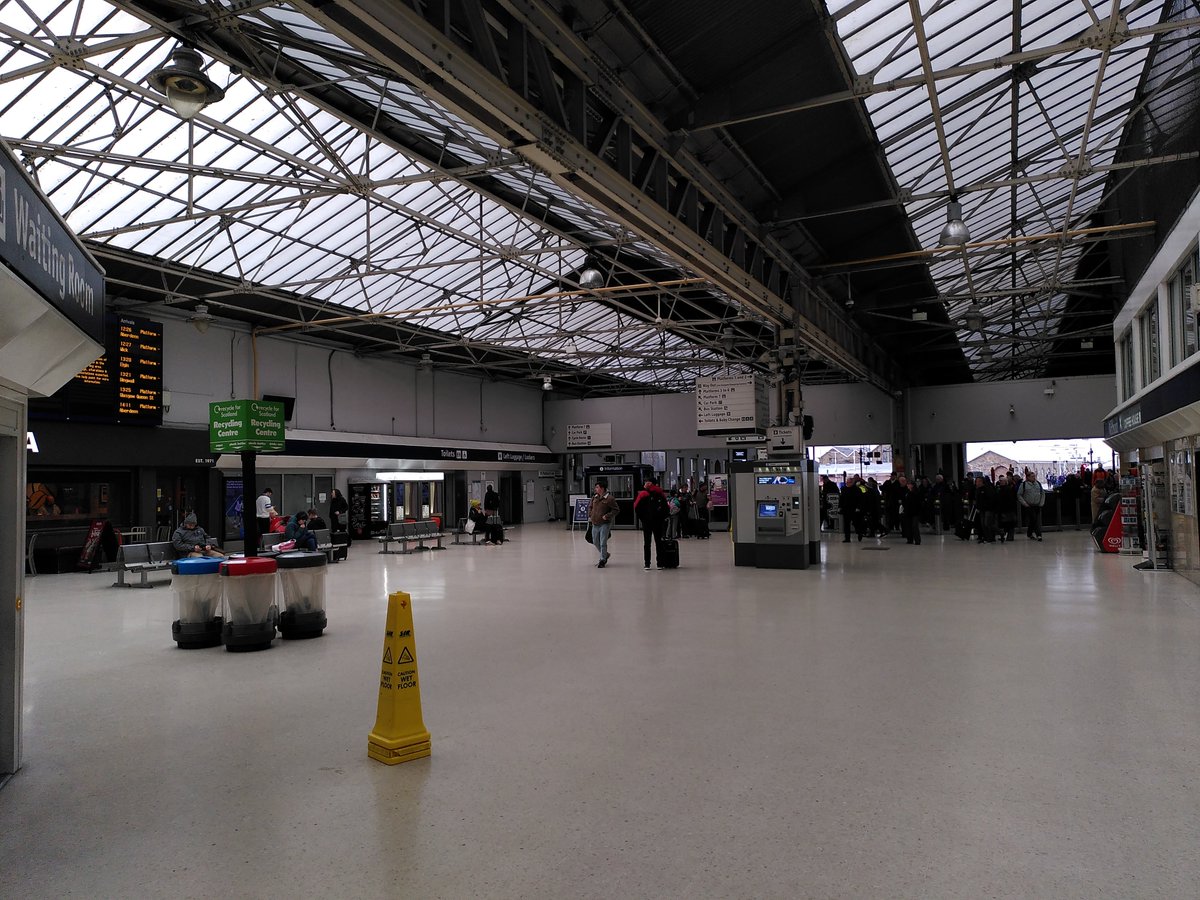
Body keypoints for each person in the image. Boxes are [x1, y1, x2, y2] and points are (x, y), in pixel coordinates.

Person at [632, 479, 669, 569]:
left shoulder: (643, 494)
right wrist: (662, 519)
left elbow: (636, 507)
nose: (644, 484)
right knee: (659, 542)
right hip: (658, 522)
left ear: (649, 483)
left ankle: (647, 564)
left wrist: (643, 519)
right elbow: (666, 508)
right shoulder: (661, 493)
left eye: (646, 482)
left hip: (647, 523)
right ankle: (660, 563)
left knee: (647, 543)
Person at [588, 479, 619, 568]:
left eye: (597, 487)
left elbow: (616, 510)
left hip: (604, 524)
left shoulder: (610, 499)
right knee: (595, 541)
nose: (595, 489)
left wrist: (607, 516)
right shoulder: (595, 497)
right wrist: (590, 514)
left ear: (602, 488)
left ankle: (602, 560)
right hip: (595, 523)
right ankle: (606, 554)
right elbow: (590, 507)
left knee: (602, 542)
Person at [1017, 470, 1046, 541]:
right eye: (1032, 477)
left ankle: (1029, 533)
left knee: (1034, 520)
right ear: (1028, 477)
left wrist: (1041, 502)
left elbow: (1042, 493)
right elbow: (1019, 495)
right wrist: (1024, 503)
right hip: (1029, 505)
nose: (1034, 478)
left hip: (1037, 505)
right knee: (1034, 519)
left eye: (1034, 476)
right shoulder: (1023, 485)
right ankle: (1039, 535)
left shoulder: (1038, 484)